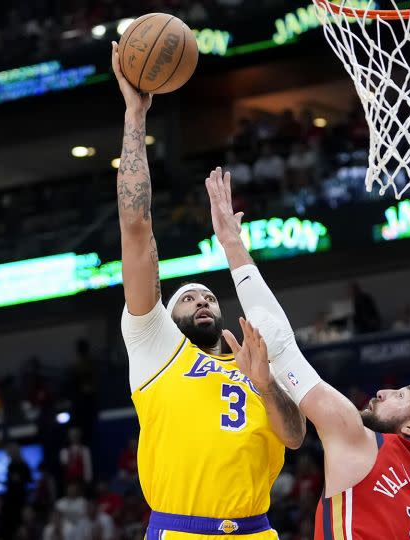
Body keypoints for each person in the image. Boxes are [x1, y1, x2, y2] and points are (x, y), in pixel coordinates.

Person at [110, 41, 305, 539]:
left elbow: (295, 436)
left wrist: (265, 386)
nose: (203, 300)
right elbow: (136, 227)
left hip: (256, 530)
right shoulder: (155, 346)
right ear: (165, 315)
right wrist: (136, 116)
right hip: (181, 530)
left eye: (210, 298)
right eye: (189, 298)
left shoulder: (254, 357)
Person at [227, 256, 410, 538]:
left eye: (402, 395)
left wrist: (231, 244)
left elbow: (278, 341)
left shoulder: (358, 440)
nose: (382, 392)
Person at [1, 444, 33, 540]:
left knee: (22, 526)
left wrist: (20, 479)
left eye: (11, 453)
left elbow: (30, 480)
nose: (9, 455)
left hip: (21, 500)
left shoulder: (24, 465)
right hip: (10, 501)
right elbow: (9, 484)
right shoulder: (10, 466)